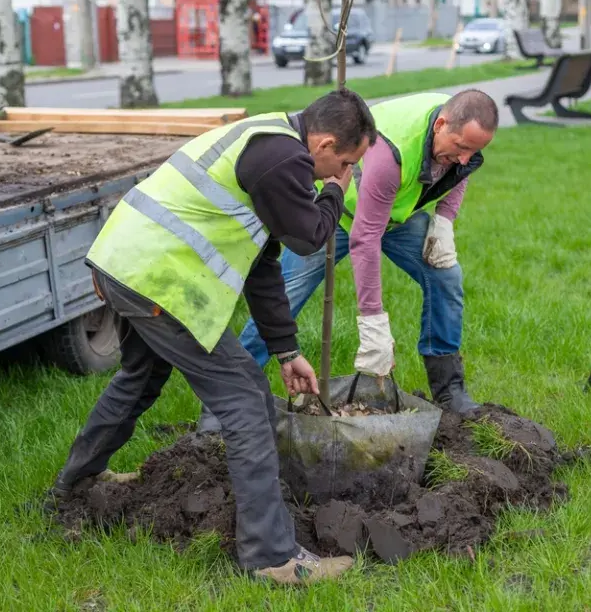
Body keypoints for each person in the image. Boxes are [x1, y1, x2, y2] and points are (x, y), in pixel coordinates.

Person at [46, 88, 377, 586]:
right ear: (325, 143)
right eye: (345, 163)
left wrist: (286, 351)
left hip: (126, 264)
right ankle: (272, 557)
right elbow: (309, 237)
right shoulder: (283, 157)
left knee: (139, 377)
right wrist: (334, 191)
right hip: (158, 279)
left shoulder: (268, 141)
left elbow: (262, 266)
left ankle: (77, 481)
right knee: (246, 400)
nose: (341, 173)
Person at [212, 89, 498, 423]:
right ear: (441, 124)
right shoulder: (393, 151)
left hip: (396, 216)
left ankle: (450, 390)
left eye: (473, 152)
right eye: (461, 147)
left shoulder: (460, 135)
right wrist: (373, 322)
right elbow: (366, 238)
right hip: (337, 215)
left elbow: (459, 173)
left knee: (445, 275)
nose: (465, 158)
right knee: (284, 297)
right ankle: (224, 402)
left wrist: (445, 219)